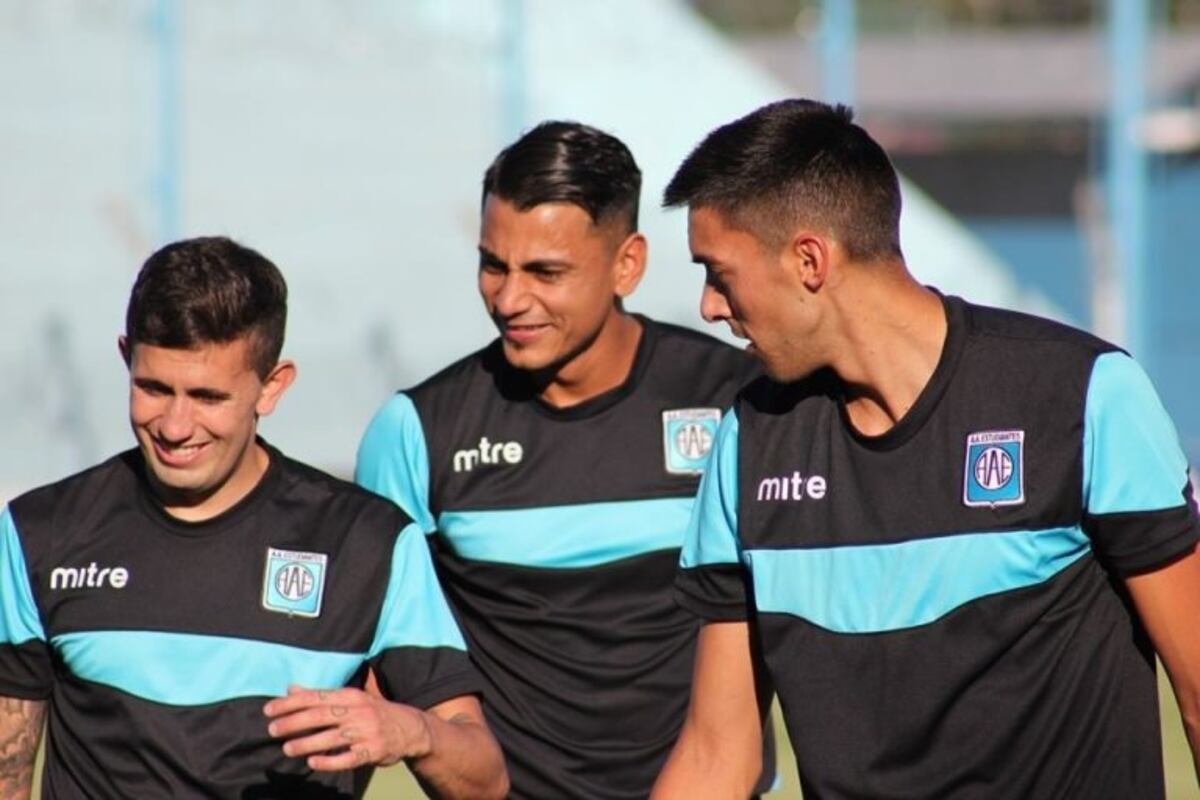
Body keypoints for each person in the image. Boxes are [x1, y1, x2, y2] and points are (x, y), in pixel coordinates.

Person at [649, 97, 1200, 799]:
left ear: (809, 260)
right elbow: (717, 756)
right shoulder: (750, 440)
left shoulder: (1086, 397)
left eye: (719, 273)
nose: (709, 307)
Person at [0, 237, 508, 799]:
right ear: (126, 357)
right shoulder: (39, 533)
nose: (174, 425)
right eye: (152, 388)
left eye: (208, 397)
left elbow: (484, 781)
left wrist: (412, 732)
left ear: (272, 386)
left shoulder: (367, 543)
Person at [356, 121, 774, 799]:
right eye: (494, 265)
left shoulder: (738, 404)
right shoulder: (416, 433)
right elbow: (372, 662)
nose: (510, 299)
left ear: (627, 265)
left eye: (546, 272)